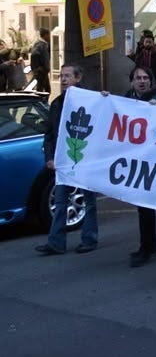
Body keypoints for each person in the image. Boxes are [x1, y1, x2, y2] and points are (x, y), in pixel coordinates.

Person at [36, 64, 99, 255]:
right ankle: (56, 242)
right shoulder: (56, 104)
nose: (63, 80)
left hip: (85, 158)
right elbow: (49, 134)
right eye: (61, 76)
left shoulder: (92, 101)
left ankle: (89, 239)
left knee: (89, 201)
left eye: (67, 76)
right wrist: (49, 157)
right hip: (63, 161)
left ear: (78, 78)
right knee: (61, 201)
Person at [122, 65, 156, 267]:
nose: (142, 81)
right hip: (138, 159)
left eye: (145, 77)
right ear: (132, 81)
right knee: (143, 206)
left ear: (151, 80)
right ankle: (149, 246)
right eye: (138, 78)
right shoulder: (126, 99)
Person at [29, 28, 51, 94]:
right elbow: (34, 55)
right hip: (41, 72)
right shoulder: (40, 45)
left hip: (44, 71)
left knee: (47, 89)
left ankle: (44, 102)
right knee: (40, 89)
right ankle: (38, 103)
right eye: (49, 35)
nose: (50, 37)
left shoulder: (44, 44)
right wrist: (37, 67)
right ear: (45, 35)